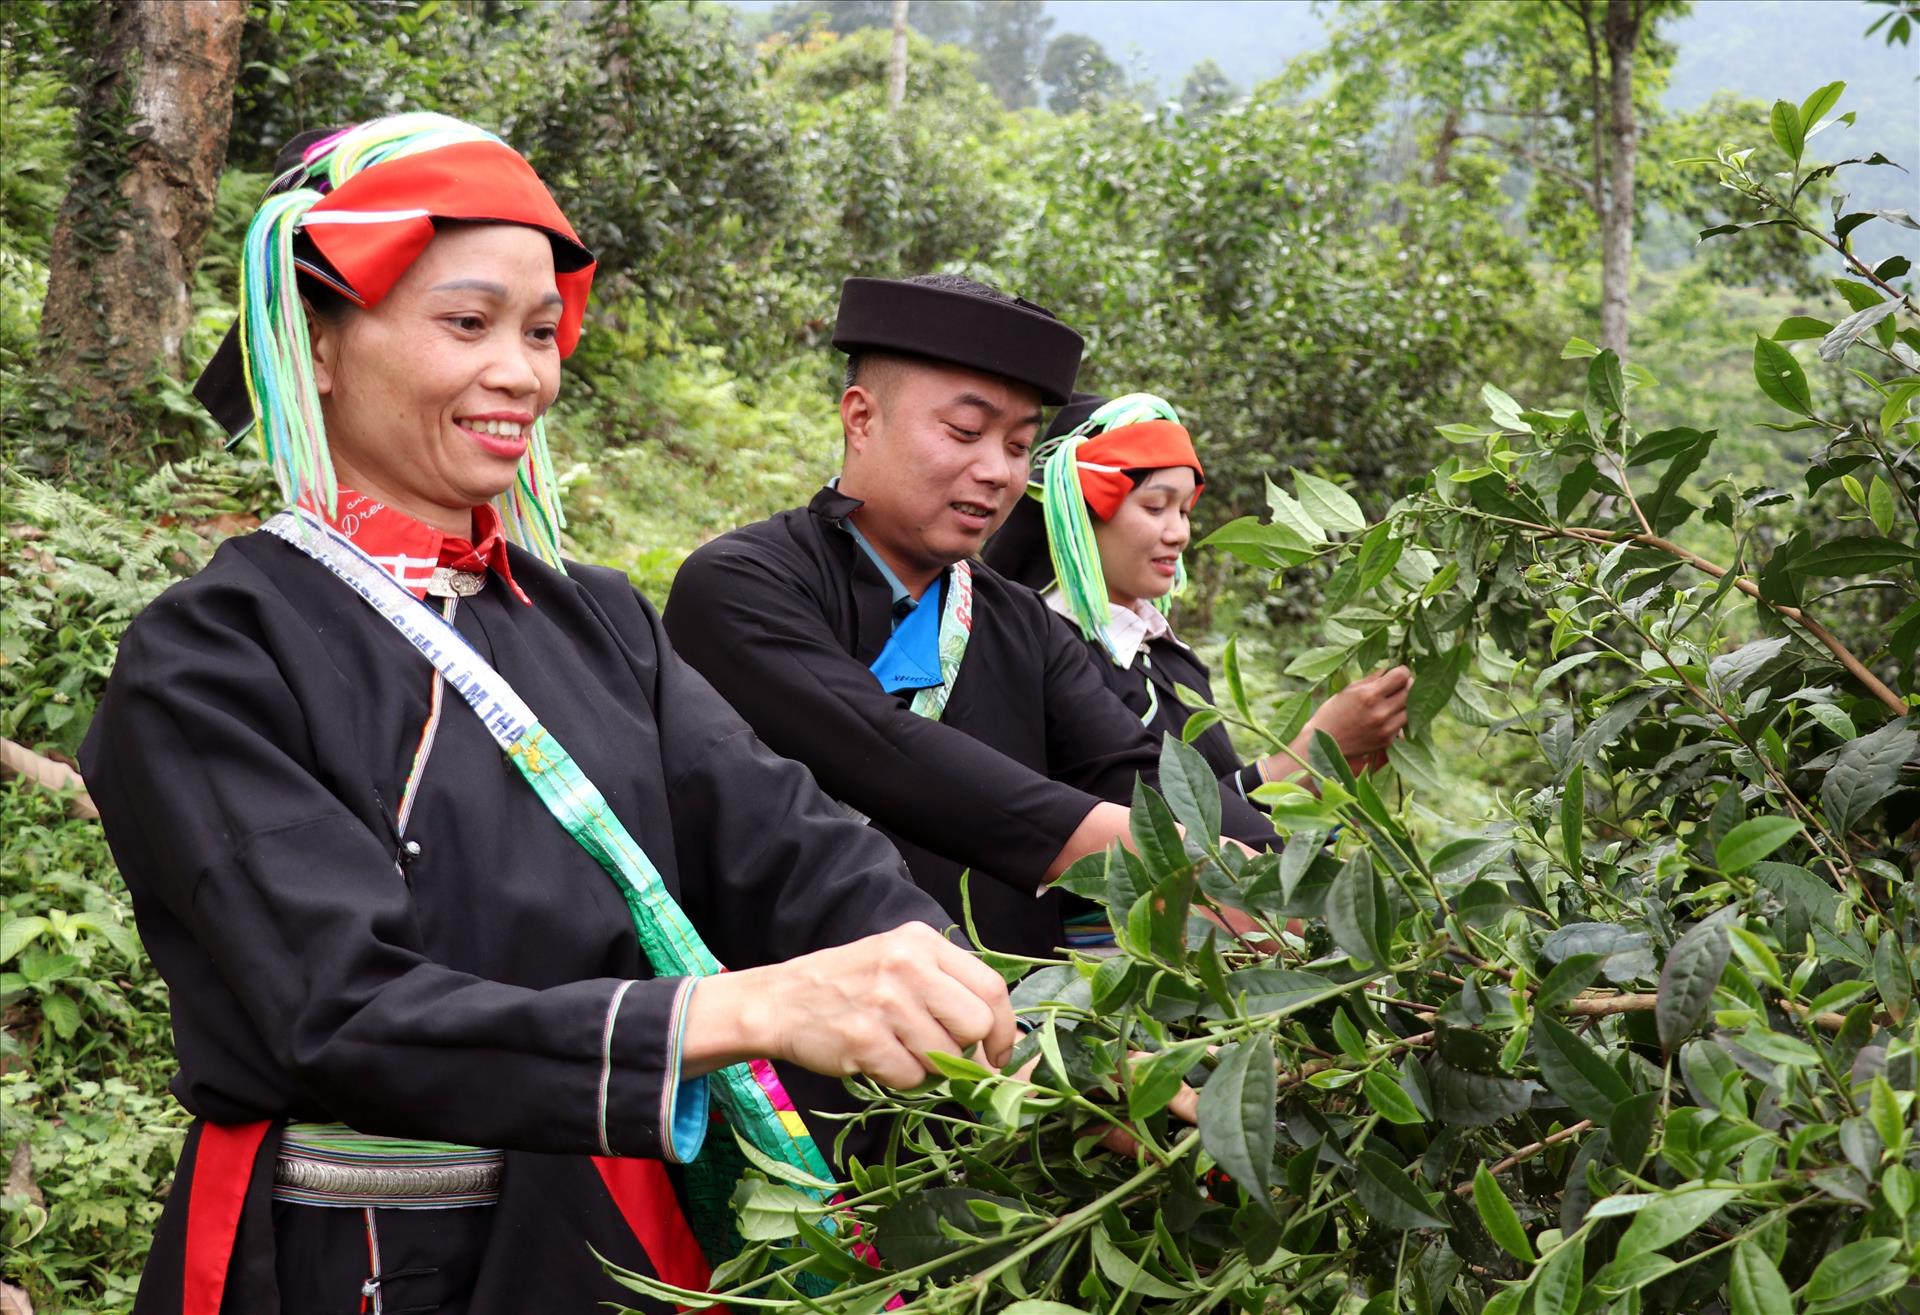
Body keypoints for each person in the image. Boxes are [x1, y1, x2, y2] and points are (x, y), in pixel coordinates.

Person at [80, 115, 1015, 1315]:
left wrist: (991, 1014)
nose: (523, 374)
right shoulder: (213, 651)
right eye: (468, 324)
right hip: (361, 1257)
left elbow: (788, 840)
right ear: (318, 345)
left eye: (537, 330)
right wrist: (742, 1008)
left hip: (598, 1236)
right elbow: (338, 1008)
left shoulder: (597, 619)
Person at [663, 276, 1276, 961]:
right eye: (965, 432)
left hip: (1014, 1017)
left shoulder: (1023, 623)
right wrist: (1151, 852)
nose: (997, 472)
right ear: (861, 418)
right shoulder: (740, 585)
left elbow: (1135, 770)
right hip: (796, 1005)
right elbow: (884, 750)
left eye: (1017, 446)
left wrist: (1283, 879)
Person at [982, 392, 1412, 797]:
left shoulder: (1174, 661)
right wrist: (1309, 755)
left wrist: (1335, 770)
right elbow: (1150, 830)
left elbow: (1229, 822)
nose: (1180, 533)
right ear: (1080, 510)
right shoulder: (1046, 661)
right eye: (1156, 507)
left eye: (1185, 510)